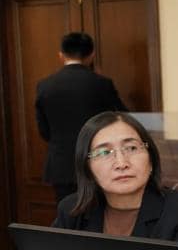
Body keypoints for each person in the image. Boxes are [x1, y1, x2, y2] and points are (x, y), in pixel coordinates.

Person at [52, 111, 178, 250]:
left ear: (151, 159)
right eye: (104, 152)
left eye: (132, 148)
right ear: (87, 169)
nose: (121, 163)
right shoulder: (73, 210)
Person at [35, 32, 127, 204]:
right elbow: (123, 119)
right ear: (92, 55)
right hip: (98, 160)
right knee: (99, 212)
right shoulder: (102, 83)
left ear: (61, 55)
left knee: (67, 213)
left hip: (61, 166)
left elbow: (44, 130)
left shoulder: (44, 85)